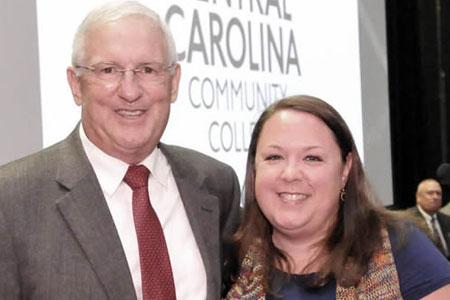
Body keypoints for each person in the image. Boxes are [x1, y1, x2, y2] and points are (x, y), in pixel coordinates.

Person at [0, 1, 240, 299]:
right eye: (108, 70)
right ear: (76, 84)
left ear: (173, 82)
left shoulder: (216, 185)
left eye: (148, 69)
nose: (130, 91)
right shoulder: (11, 200)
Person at [225, 95, 450, 299]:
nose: (290, 173)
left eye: (312, 158)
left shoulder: (400, 246)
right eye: (274, 157)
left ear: (345, 170)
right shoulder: (227, 259)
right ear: (254, 168)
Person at [403, 178, 450, 258]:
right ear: (418, 197)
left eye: (438, 193)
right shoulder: (407, 220)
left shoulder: (446, 220)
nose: (435, 197)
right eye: (430, 193)